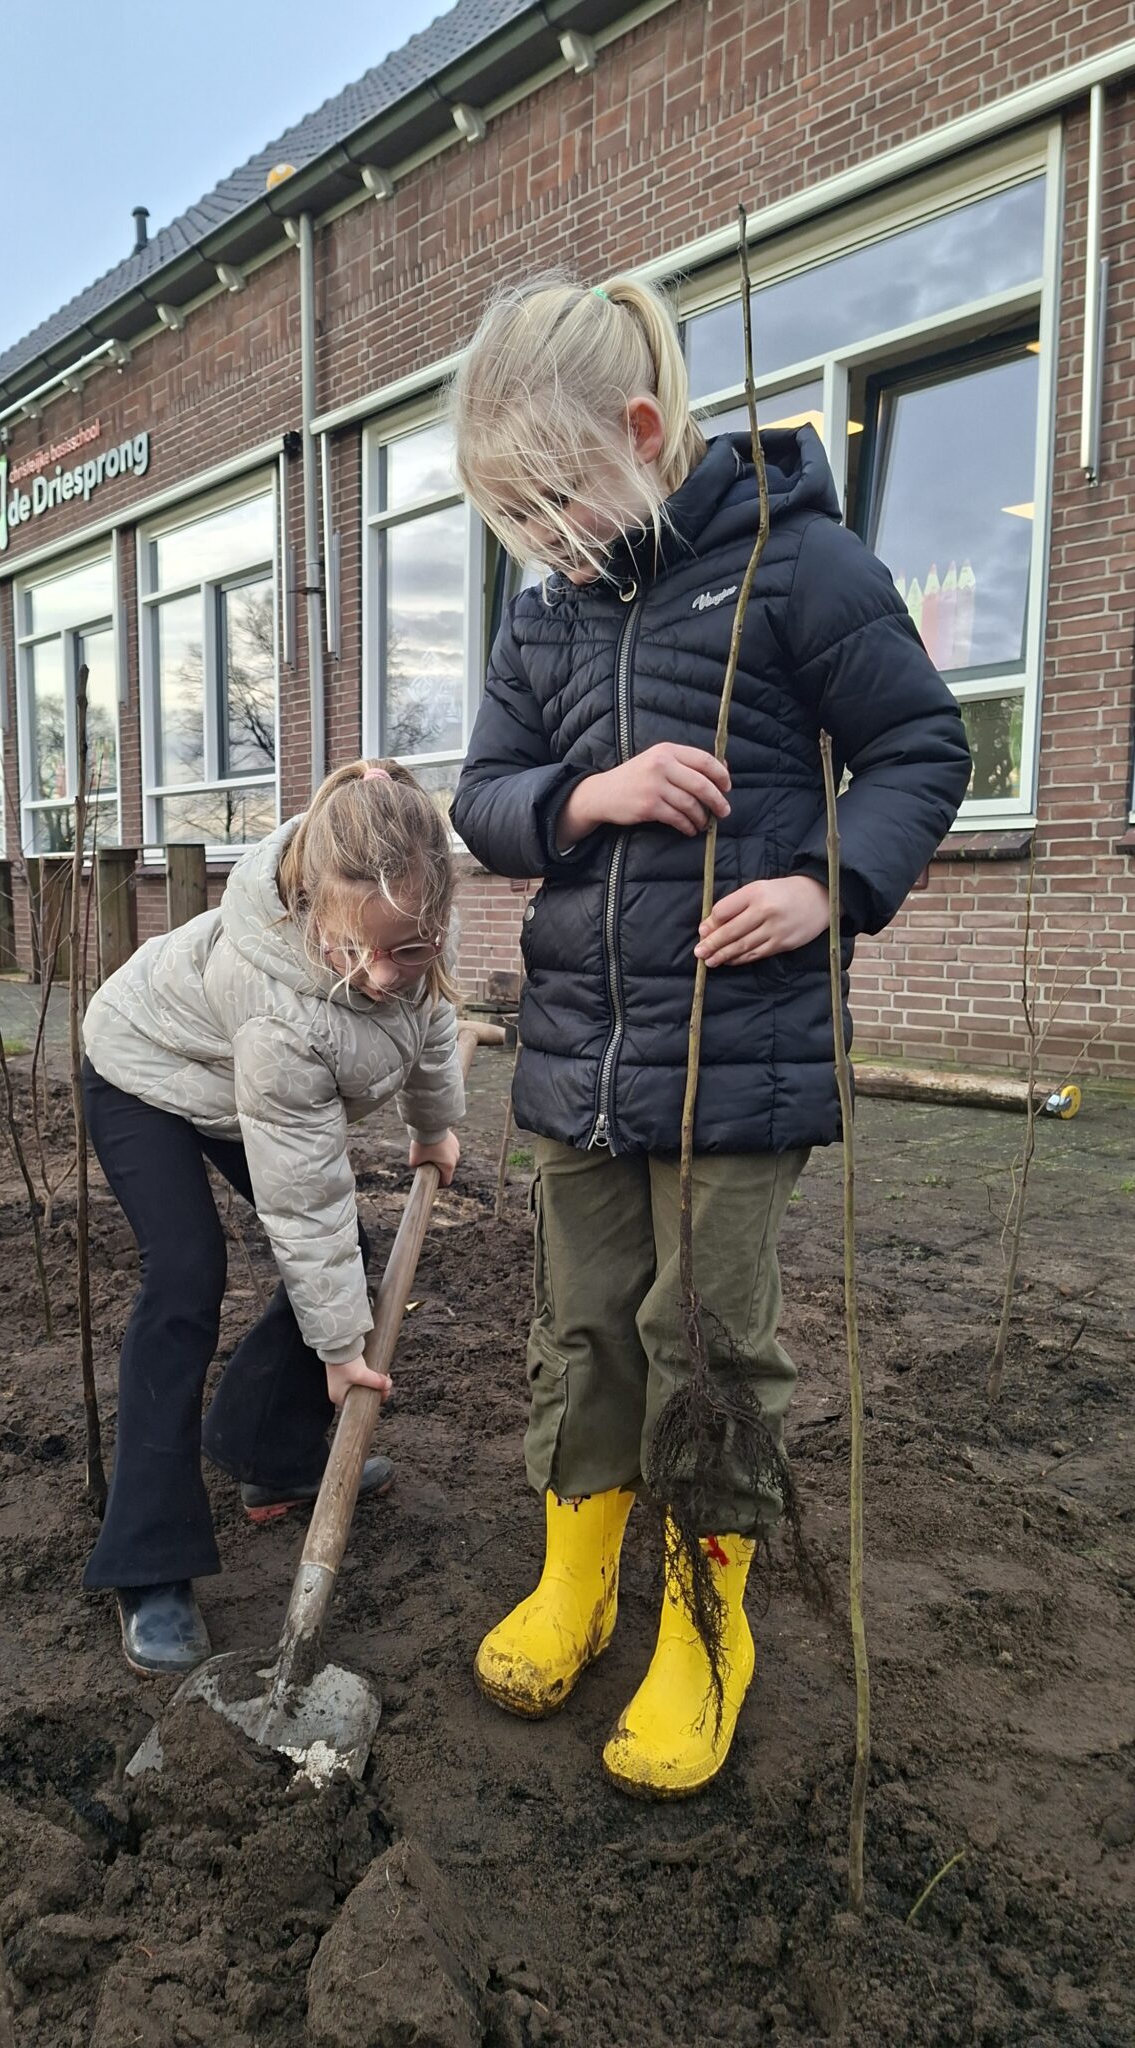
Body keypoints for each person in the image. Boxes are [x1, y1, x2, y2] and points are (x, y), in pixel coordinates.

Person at [448, 272, 971, 1794]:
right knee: (582, 1326)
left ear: (639, 429)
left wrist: (830, 886)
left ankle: (702, 1626)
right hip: (575, 1056)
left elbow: (919, 743)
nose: (540, 542)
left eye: (554, 500)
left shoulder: (799, 571)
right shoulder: (545, 618)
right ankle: (574, 1582)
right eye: (515, 520)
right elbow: (486, 799)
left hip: (741, 1055)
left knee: (711, 1348)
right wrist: (584, 797)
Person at [80, 761, 464, 1676]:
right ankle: (150, 1565)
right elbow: (302, 1190)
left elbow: (434, 1020)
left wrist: (434, 1126)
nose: (378, 979)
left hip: (231, 1088)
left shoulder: (406, 945)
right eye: (352, 953)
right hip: (145, 1069)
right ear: (312, 910)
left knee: (343, 1261)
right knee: (186, 1273)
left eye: (405, 951)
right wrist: (342, 1351)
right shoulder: (277, 1002)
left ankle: (268, 1451)